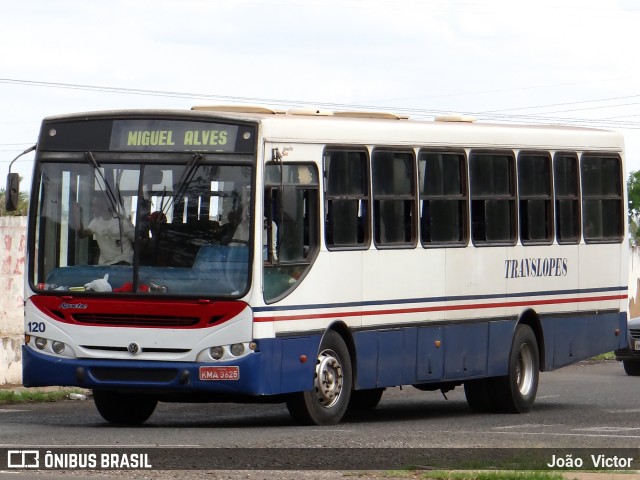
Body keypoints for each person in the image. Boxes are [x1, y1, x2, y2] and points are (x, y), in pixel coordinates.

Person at [75, 194, 135, 265]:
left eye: (95, 206)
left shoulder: (122, 222)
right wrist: (78, 216)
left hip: (123, 262)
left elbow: (136, 240)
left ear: (105, 207)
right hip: (105, 265)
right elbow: (82, 235)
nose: (92, 209)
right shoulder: (96, 222)